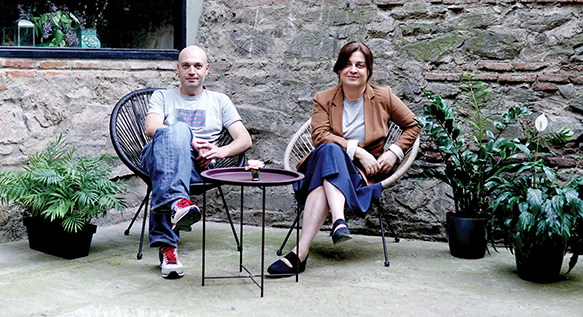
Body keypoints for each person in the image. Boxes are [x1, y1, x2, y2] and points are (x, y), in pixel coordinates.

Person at [267, 41, 420, 275]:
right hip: (320, 163)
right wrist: (357, 150)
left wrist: (394, 152)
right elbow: (319, 136)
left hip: (358, 174)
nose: (353, 70)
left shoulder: (384, 96)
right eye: (347, 64)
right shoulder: (324, 98)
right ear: (339, 68)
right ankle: (338, 220)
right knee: (330, 149)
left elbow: (413, 125)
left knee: (323, 184)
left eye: (360, 65)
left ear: (368, 70)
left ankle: (300, 254)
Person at [140, 45, 252, 279]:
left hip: (198, 166)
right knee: (179, 130)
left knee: (168, 173)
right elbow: (151, 127)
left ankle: (168, 245)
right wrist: (188, 137)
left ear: (206, 69)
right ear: (178, 69)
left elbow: (244, 140)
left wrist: (219, 152)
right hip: (158, 155)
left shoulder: (220, 101)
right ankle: (178, 202)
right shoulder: (163, 96)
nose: (192, 71)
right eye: (186, 66)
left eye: (198, 66)